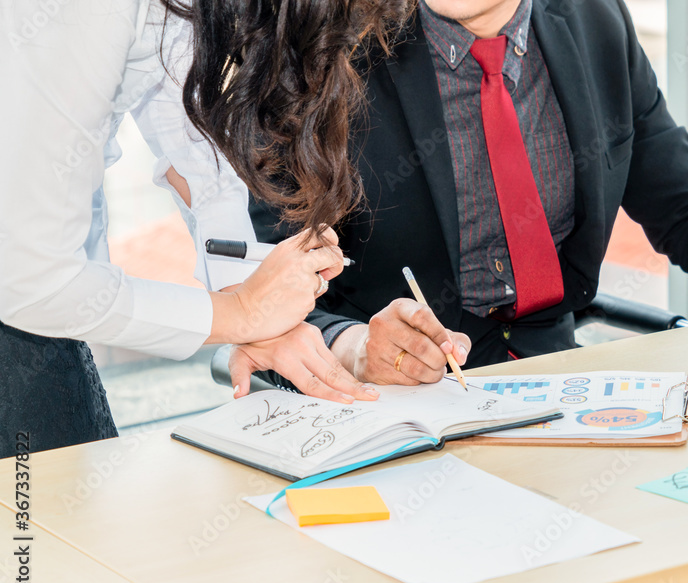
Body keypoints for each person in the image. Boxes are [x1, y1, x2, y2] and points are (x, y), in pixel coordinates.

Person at [248, 0, 688, 390]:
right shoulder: (321, 49)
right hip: (381, 408)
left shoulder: (592, 21)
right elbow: (271, 278)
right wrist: (353, 348)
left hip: (560, 387)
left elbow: (687, 207)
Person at [0, 0, 407, 456]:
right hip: (26, 309)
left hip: (44, 314)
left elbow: (196, 161)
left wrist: (256, 309)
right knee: (33, 515)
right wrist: (238, 314)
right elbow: (34, 282)